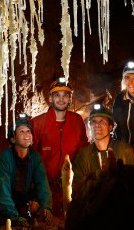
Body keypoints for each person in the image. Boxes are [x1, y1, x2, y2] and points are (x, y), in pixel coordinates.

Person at [31, 77, 88, 217]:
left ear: (70, 99)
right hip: (45, 190)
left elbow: (84, 153)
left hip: (72, 189)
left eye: (65, 95)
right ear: (50, 98)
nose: (61, 99)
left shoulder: (77, 121)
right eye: (57, 95)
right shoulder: (37, 123)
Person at [0, 114, 53, 227]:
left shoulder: (35, 158)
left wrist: (46, 207)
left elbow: (42, 185)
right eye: (21, 132)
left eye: (28, 131)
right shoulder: (4, 159)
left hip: (22, 206)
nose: (27, 135)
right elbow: (3, 192)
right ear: (13, 139)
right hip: (1, 209)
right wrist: (13, 216)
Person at [72, 103, 133, 196]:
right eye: (93, 122)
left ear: (110, 127)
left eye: (102, 122)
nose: (97, 125)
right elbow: (78, 185)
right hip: (92, 206)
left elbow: (130, 183)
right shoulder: (83, 155)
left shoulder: (124, 150)